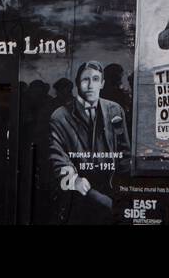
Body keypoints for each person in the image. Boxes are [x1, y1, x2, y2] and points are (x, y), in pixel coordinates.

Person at [48, 60, 130, 222]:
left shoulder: (115, 110)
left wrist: (124, 190)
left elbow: (124, 153)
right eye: (85, 79)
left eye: (95, 79)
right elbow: (57, 157)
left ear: (102, 83)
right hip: (78, 196)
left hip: (112, 190)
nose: (91, 85)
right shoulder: (60, 116)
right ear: (78, 83)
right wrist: (74, 180)